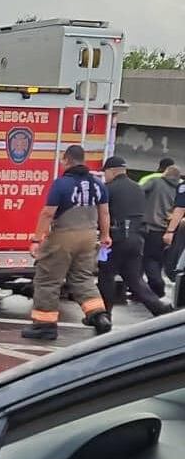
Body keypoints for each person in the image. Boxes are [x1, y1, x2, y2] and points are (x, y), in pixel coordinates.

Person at [23, 145, 113, 340]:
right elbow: (104, 212)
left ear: (67, 160)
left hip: (64, 236)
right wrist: (105, 235)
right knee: (82, 278)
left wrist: (36, 240)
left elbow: (48, 213)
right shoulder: (98, 184)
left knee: (48, 279)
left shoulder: (61, 184)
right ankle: (99, 315)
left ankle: (44, 326)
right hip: (89, 236)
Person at [97, 156, 174, 317]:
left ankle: (105, 314)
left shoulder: (108, 188)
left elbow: (103, 213)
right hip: (137, 238)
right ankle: (159, 308)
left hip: (116, 239)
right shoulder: (137, 188)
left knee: (107, 275)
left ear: (111, 171)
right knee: (134, 279)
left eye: (106, 172)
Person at [142, 164, 181, 296]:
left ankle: (157, 286)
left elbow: (139, 191)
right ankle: (151, 289)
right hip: (171, 230)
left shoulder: (155, 182)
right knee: (159, 259)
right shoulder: (180, 188)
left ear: (165, 173)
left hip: (152, 228)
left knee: (149, 259)